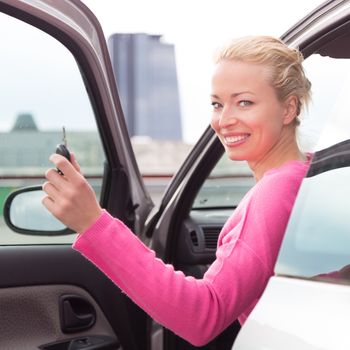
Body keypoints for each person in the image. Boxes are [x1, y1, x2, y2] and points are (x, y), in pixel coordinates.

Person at [42, 36, 311, 346]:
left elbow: (203, 315)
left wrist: (92, 222)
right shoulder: (307, 178)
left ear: (289, 108)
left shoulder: (277, 192)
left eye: (244, 102)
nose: (224, 120)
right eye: (217, 104)